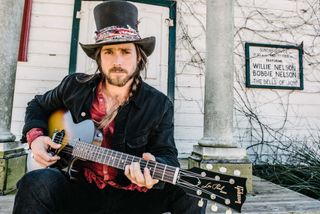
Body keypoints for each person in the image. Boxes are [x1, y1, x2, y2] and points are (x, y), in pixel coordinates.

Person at [13, 1, 206, 213]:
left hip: (132, 196)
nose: (118, 61)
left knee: (192, 191)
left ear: (138, 56)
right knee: (34, 183)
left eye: (125, 51)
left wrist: (154, 168)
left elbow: (167, 154)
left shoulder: (158, 105)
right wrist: (37, 138)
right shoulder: (74, 86)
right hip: (79, 187)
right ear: (99, 57)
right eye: (109, 52)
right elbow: (38, 105)